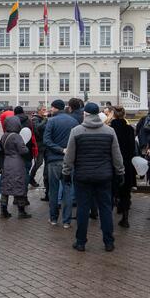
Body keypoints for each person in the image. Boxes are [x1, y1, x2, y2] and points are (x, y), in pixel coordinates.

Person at [63, 102, 124, 251]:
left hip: (82, 176)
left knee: (83, 209)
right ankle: (108, 242)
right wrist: (120, 172)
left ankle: (81, 242)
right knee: (105, 209)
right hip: (104, 176)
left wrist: (66, 172)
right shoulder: (109, 132)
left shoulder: (76, 131)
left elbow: (69, 156)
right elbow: (117, 156)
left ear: (85, 114)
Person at [43, 99, 79, 228]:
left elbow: (46, 140)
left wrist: (59, 149)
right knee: (68, 190)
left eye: (51, 107)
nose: (50, 110)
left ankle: (53, 218)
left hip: (54, 160)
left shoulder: (51, 121)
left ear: (56, 108)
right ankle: (66, 221)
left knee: (53, 191)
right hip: (69, 161)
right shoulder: (73, 121)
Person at [0, 116, 32, 219]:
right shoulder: (17, 136)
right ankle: (21, 212)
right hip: (17, 163)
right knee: (19, 185)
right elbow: (23, 151)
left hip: (6, 162)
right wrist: (26, 147)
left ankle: (3, 211)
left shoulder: (4, 135)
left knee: (6, 186)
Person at [109, 106, 136, 228]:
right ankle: (125, 217)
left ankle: (108, 217)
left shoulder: (110, 129)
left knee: (110, 190)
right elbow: (132, 148)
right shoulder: (129, 129)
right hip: (127, 163)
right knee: (126, 192)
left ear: (113, 115)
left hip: (112, 164)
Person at [14, 106, 39, 187]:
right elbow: (35, 133)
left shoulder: (12, 121)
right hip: (28, 150)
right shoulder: (29, 121)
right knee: (27, 170)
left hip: (15, 150)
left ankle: (17, 186)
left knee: (16, 170)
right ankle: (24, 188)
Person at [29, 104, 47, 191]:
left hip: (44, 144)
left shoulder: (41, 118)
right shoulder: (35, 119)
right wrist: (45, 120)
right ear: (39, 111)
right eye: (43, 110)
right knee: (39, 162)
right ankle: (30, 178)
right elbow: (37, 129)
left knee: (45, 163)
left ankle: (45, 179)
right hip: (39, 145)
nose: (45, 111)